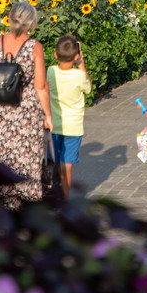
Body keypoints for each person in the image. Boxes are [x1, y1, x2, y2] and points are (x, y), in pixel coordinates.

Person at [0, 1, 54, 207]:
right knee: (26, 159)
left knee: (1, 158)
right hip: (26, 115)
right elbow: (41, 86)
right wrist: (48, 115)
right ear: (31, 23)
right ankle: (26, 204)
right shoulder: (34, 47)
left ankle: (3, 202)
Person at [46, 34, 92, 198]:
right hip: (73, 127)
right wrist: (82, 66)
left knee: (55, 161)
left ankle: (54, 191)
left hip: (54, 125)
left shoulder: (51, 71)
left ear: (56, 55)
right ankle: (65, 197)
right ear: (76, 56)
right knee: (68, 164)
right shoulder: (79, 76)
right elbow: (89, 88)